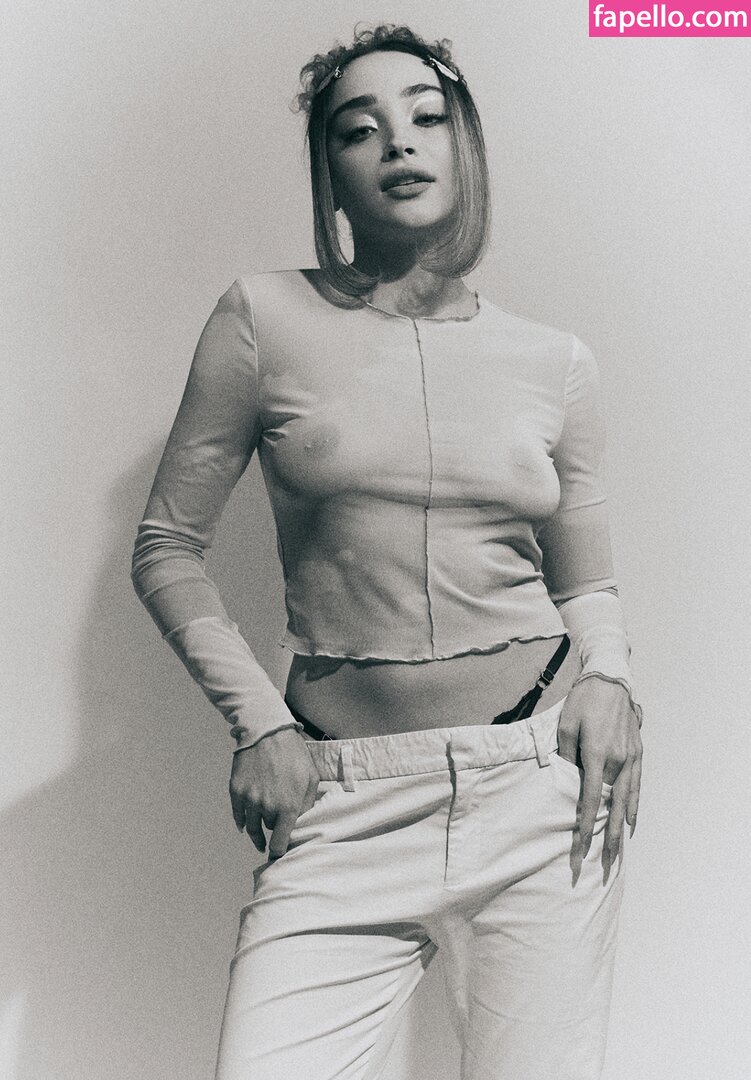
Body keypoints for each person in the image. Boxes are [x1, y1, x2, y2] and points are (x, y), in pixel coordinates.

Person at [130, 23, 644, 1080]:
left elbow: (585, 578)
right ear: (329, 171)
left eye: (425, 117)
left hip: (536, 789)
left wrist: (610, 680)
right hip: (344, 798)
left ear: (464, 144)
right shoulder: (261, 318)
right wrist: (259, 723)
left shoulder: (553, 362)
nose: (397, 143)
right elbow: (167, 545)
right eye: (358, 129)